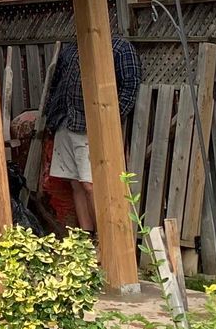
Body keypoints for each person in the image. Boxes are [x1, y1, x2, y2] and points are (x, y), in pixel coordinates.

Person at [39, 34, 141, 235]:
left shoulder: (120, 48)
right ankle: (87, 238)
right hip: (65, 121)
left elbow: (130, 87)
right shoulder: (73, 45)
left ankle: (105, 238)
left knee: (90, 184)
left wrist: (107, 122)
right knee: (75, 183)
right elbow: (57, 82)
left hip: (90, 128)